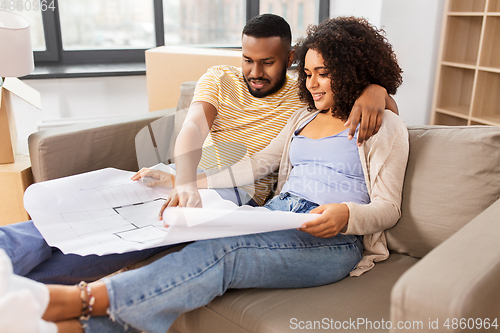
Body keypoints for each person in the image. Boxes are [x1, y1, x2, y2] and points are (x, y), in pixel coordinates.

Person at [42, 16, 409, 333]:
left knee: (225, 253)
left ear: (349, 72)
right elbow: (257, 164)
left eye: (323, 74)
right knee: (191, 236)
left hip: (333, 239)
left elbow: (389, 207)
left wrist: (347, 214)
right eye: (309, 74)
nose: (311, 84)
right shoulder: (303, 117)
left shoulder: (382, 125)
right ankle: (91, 326)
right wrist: (183, 180)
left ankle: (82, 299)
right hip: (276, 215)